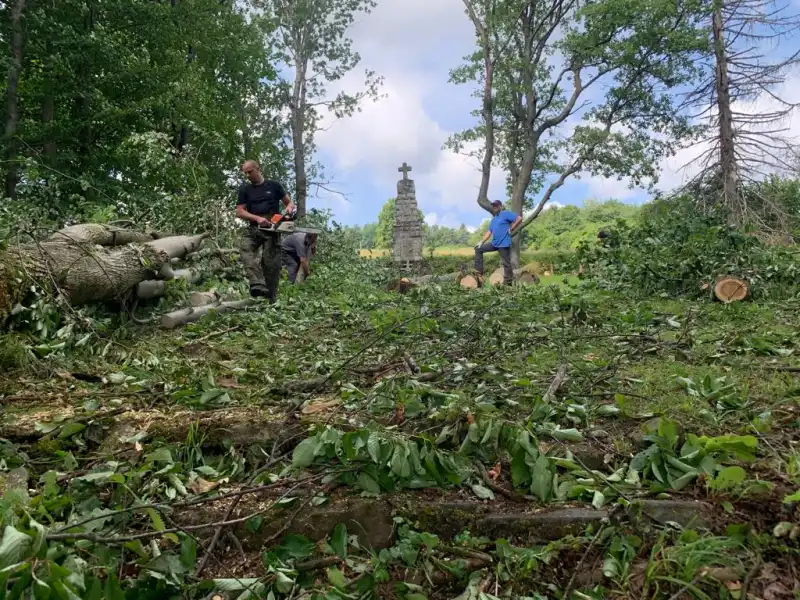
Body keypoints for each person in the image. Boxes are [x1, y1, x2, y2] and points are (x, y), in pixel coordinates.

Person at [234, 160, 295, 300]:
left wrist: (290, 208)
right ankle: (257, 283)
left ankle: (271, 299)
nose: (248, 175)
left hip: (273, 228)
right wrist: (257, 218)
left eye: (250, 171)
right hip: (255, 227)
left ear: (258, 169)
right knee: (245, 248)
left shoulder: (274, 186)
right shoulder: (245, 189)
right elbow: (240, 212)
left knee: (271, 264)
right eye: (245, 173)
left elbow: (289, 202)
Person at [474, 200, 523, 285]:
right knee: (478, 249)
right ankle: (479, 273)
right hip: (494, 243)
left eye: (496, 205)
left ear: (501, 206)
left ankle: (508, 283)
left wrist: (512, 228)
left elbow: (519, 218)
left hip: (503, 243)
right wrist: (481, 241)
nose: (494, 207)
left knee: (506, 263)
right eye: (493, 206)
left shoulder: (505, 213)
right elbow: (489, 232)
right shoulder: (493, 220)